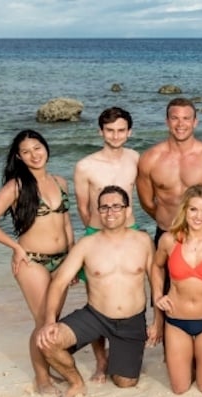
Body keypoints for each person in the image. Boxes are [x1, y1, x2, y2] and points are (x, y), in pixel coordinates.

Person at [0, 130, 74, 395]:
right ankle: (42, 379)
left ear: (46, 147)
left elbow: (65, 222)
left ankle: (49, 366)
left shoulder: (61, 182)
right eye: (26, 151)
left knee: (53, 319)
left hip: (62, 260)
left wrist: (73, 258)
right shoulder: (17, 186)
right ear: (19, 156)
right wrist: (15, 247)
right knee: (43, 321)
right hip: (33, 262)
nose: (34, 155)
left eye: (37, 147)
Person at [35, 186, 156, 397]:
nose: (110, 212)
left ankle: (114, 357)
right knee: (47, 342)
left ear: (128, 210)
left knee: (125, 382)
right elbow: (59, 282)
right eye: (105, 207)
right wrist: (50, 321)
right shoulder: (86, 244)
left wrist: (158, 321)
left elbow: (157, 281)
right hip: (96, 316)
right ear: (98, 212)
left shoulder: (143, 241)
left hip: (132, 320)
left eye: (116, 206)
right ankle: (76, 383)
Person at [73, 106, 139, 379]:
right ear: (101, 131)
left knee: (129, 292)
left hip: (131, 233)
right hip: (96, 234)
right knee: (96, 301)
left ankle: (122, 347)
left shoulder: (135, 158)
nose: (115, 135)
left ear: (129, 132)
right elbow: (83, 208)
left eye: (121, 130)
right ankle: (101, 360)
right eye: (110, 130)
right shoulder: (86, 166)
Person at [150, 185, 202, 394]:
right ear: (184, 210)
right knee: (180, 388)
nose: (198, 216)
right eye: (193, 209)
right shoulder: (169, 240)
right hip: (176, 321)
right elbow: (156, 266)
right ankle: (199, 361)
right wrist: (158, 295)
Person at [137, 97, 202, 293]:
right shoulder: (150, 159)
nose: (181, 124)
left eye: (186, 118)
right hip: (166, 234)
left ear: (195, 122)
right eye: (175, 118)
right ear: (167, 121)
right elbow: (146, 202)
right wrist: (170, 222)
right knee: (165, 299)